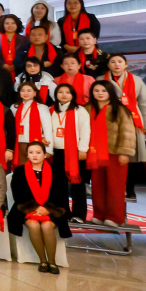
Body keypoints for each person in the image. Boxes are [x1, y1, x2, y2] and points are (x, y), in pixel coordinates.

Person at [9, 141, 71, 274]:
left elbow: (61, 194)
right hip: (27, 208)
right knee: (34, 225)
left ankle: (52, 262)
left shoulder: (56, 170)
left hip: (52, 209)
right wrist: (35, 208)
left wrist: (47, 209)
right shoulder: (19, 171)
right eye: (31, 153)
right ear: (27, 155)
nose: (34, 155)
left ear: (45, 154)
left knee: (46, 226)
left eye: (38, 152)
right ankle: (43, 260)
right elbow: (18, 194)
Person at [103, 53, 146, 201]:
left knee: (130, 157)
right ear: (108, 65)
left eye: (120, 61)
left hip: (132, 121)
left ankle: (130, 189)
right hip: (109, 120)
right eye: (113, 62)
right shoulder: (101, 80)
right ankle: (111, 188)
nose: (116, 64)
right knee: (111, 157)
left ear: (126, 64)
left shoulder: (136, 80)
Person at [87, 79, 136, 227]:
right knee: (97, 186)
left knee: (115, 186)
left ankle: (114, 217)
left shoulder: (119, 109)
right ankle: (99, 214)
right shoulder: (88, 109)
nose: (100, 93)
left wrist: (124, 152)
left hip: (115, 153)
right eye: (96, 90)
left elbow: (127, 132)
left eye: (104, 91)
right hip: (94, 153)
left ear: (110, 93)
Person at [50, 83, 90, 220]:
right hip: (57, 152)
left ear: (73, 95)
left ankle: (79, 214)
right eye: (60, 92)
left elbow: (85, 131)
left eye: (68, 92)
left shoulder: (80, 110)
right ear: (56, 94)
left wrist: (83, 149)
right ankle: (63, 212)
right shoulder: (51, 110)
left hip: (74, 152)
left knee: (77, 184)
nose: (64, 95)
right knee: (58, 184)